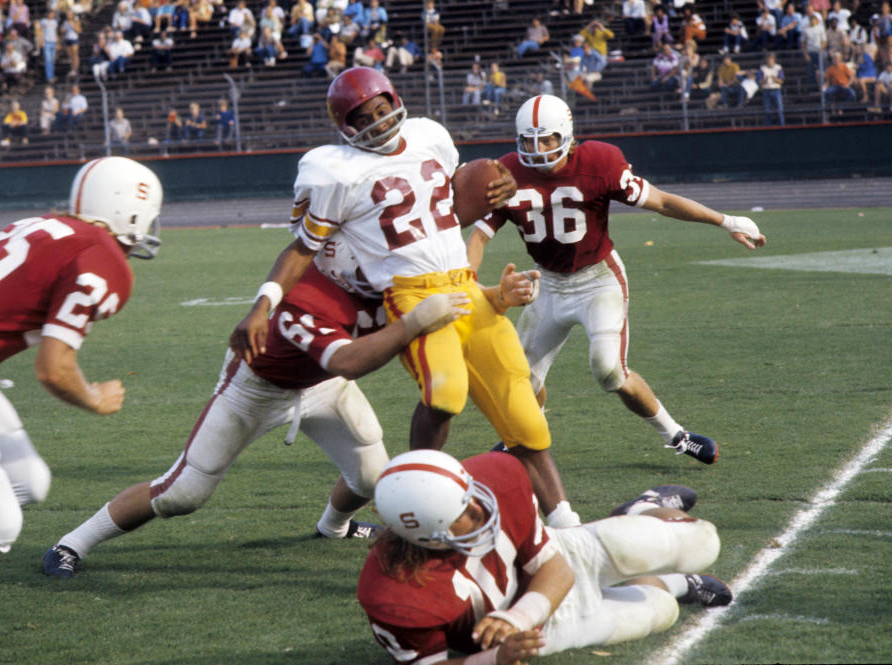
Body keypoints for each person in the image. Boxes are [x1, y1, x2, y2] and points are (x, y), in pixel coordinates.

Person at [233, 67, 578, 530]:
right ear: (345, 127)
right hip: (412, 294)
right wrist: (263, 304)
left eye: (382, 108)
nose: (379, 120)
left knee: (523, 409)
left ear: (396, 100)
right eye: (365, 116)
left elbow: (447, 204)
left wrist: (503, 188)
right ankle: (414, 490)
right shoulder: (333, 172)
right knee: (445, 393)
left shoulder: (429, 136)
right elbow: (301, 249)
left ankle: (564, 521)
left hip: (464, 285)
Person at [41, 236, 480, 576]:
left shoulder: (387, 282)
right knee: (183, 492)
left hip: (323, 381)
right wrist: (414, 322)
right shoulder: (306, 297)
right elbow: (350, 360)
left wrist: (496, 292)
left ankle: (333, 527)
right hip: (257, 387)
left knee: (369, 477)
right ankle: (71, 544)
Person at [466, 94, 767, 466]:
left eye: (546, 140)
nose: (537, 149)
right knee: (519, 380)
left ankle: (676, 435)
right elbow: (477, 236)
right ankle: (530, 431)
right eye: (528, 140)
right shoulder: (508, 173)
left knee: (608, 369)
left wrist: (725, 221)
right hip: (548, 285)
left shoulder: (599, 162)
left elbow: (661, 201)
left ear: (567, 136)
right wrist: (467, 282)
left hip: (598, 280)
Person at [0, 157, 163, 590]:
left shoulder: (39, 224)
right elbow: (53, 369)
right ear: (130, 212)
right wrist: (95, 397)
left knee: (25, 480)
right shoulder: (104, 256)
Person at [359, 449, 732, 664]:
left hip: (560, 560)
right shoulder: (397, 593)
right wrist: (496, 658)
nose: (481, 509)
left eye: (470, 494)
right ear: (427, 535)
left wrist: (516, 616)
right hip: (545, 630)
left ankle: (638, 511)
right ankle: (676, 585)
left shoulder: (494, 478)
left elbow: (556, 567)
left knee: (703, 542)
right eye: (465, 514)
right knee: (660, 610)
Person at [758, 52, 785, 125]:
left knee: (779, 110)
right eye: (768, 59)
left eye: (771, 59)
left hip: (776, 90)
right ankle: (768, 127)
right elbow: (759, 82)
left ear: (773, 60)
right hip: (766, 91)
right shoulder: (762, 68)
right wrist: (765, 80)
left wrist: (774, 79)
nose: (769, 61)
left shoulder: (778, 67)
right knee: (767, 111)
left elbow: (781, 81)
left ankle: (782, 126)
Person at [36, 9, 59, 83]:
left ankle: (52, 75)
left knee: (52, 60)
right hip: (47, 42)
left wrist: (57, 42)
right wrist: (41, 40)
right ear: (48, 14)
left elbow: (55, 32)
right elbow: (40, 31)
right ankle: (49, 77)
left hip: (53, 42)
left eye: (53, 14)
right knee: (48, 60)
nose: (52, 15)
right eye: (51, 13)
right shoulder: (44, 21)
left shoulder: (55, 22)